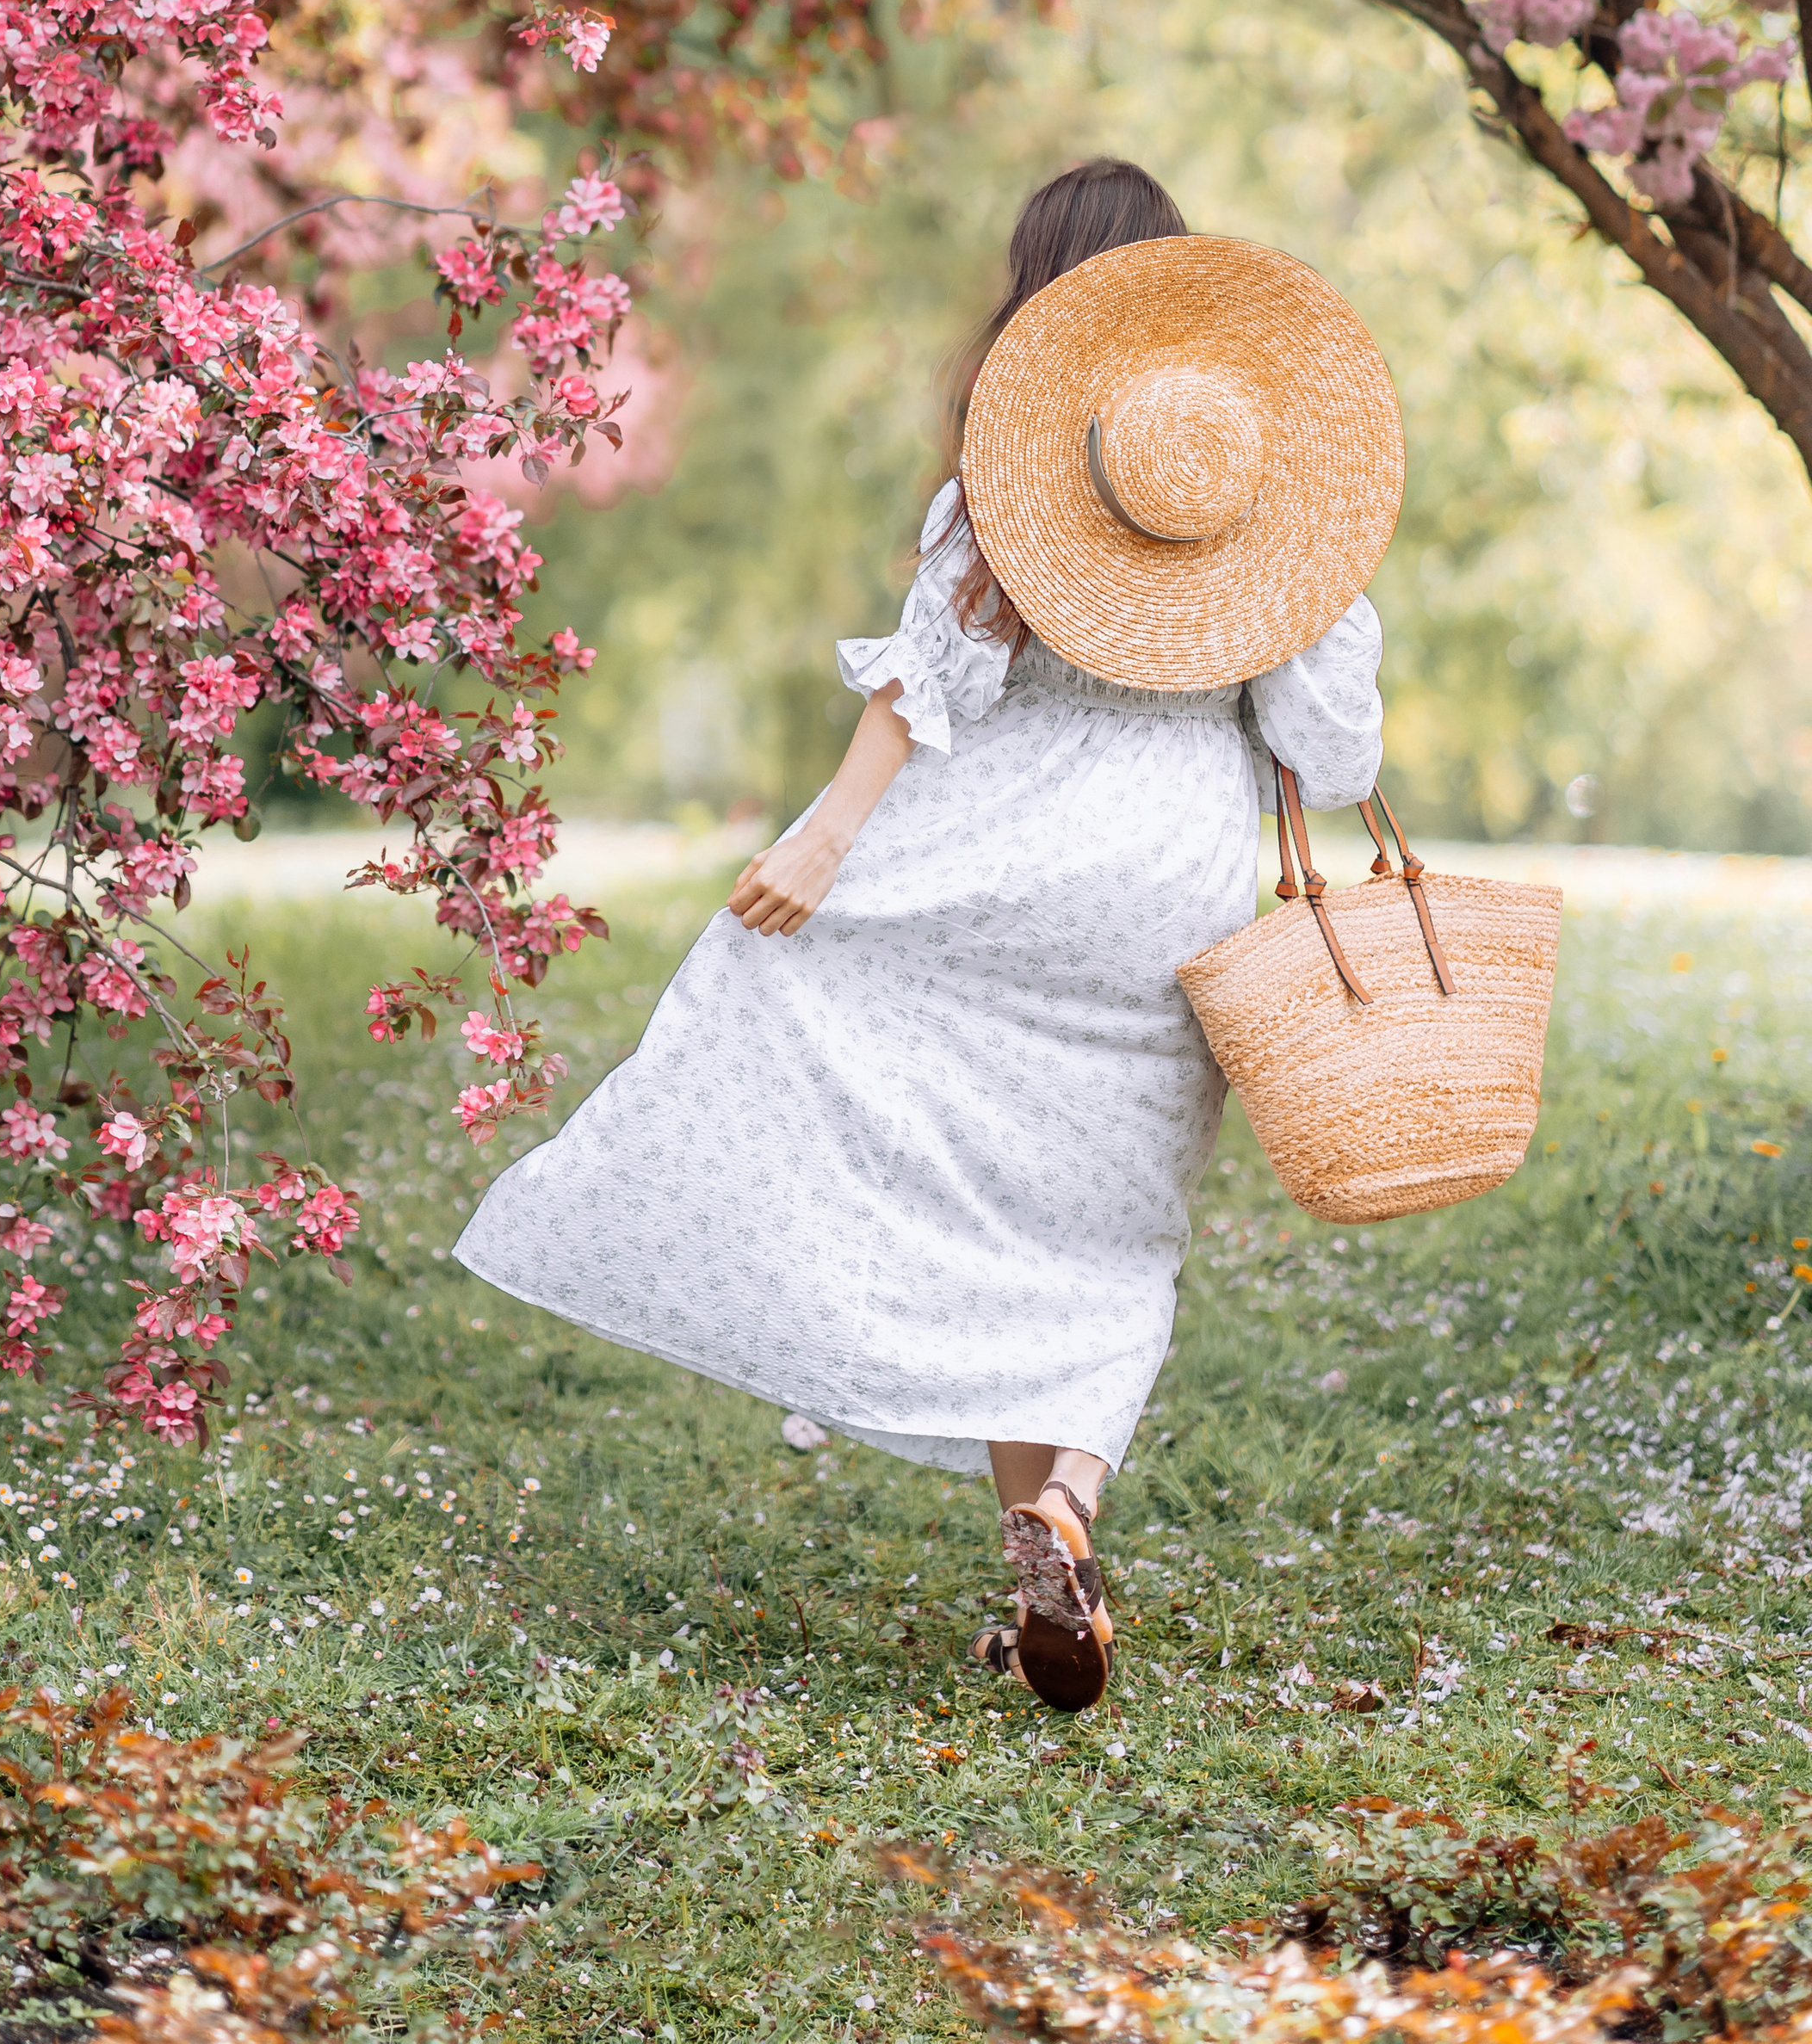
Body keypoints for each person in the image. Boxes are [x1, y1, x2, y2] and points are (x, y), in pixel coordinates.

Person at [454, 157, 1395, 1711]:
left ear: (1047, 302)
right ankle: (1062, 1508)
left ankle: (1014, 1506)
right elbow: (1334, 763)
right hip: (1165, 876)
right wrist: (1307, 606)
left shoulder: (1017, 476)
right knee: (1106, 1227)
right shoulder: (1263, 504)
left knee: (845, 1053)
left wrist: (824, 844)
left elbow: (924, 687)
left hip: (994, 856)